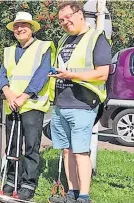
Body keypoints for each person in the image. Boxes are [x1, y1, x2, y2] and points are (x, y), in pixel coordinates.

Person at [49, 2, 111, 203]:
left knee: (81, 151)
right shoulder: (64, 39)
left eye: (68, 17)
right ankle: (72, 193)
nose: (64, 22)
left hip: (83, 104)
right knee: (67, 151)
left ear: (80, 14)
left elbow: (103, 73)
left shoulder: (96, 38)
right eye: (61, 20)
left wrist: (72, 75)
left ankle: (84, 197)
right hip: (61, 103)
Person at [0, 12, 55, 200]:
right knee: (12, 147)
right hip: (12, 105)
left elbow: (42, 74)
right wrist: (7, 92)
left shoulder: (43, 47)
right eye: (16, 26)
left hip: (32, 105)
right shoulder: (8, 51)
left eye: (24, 25)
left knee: (31, 147)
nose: (20, 29)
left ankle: (28, 182)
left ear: (32, 28)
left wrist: (24, 96)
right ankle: (11, 180)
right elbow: (2, 75)